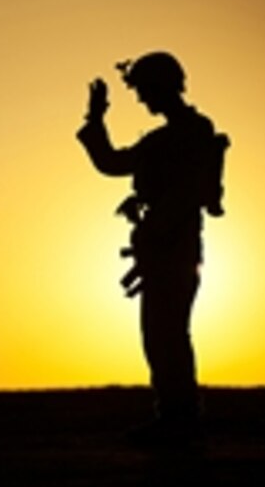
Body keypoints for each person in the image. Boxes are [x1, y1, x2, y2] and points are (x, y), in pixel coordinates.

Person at [76, 51, 228, 445]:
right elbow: (112, 162)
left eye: (145, 90)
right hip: (159, 246)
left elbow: (189, 191)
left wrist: (158, 229)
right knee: (159, 334)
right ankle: (174, 417)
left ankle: (181, 420)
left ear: (164, 85)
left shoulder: (193, 131)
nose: (142, 100)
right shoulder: (162, 139)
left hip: (175, 245)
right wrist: (95, 119)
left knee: (168, 333)